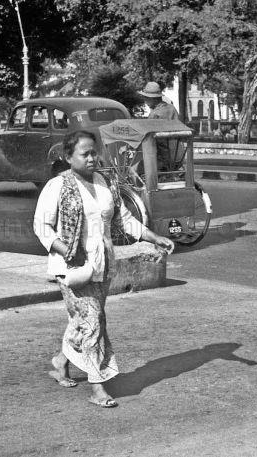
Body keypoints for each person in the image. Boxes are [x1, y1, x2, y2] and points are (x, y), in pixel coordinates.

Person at [33, 130, 175, 408]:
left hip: (102, 265)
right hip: (72, 268)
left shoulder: (105, 183)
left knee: (85, 320)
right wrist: (66, 250)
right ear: (68, 156)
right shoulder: (57, 186)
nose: (91, 158)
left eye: (93, 152)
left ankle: (61, 362)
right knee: (94, 320)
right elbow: (41, 226)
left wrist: (154, 237)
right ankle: (98, 386)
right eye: (84, 154)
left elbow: (124, 220)